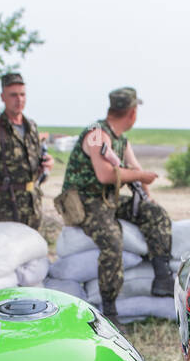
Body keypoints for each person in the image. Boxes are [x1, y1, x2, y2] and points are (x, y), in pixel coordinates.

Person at [57, 87, 174, 328]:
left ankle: (162, 277)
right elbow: (104, 175)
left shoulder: (121, 140)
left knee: (156, 214)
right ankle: (109, 311)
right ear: (132, 113)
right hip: (86, 202)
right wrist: (140, 175)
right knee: (112, 240)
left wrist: (147, 198)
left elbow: (134, 170)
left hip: (108, 200)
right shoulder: (97, 135)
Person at [0, 72, 52, 230]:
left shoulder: (31, 127)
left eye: (22, 95)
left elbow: (34, 162)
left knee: (33, 253)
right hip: (6, 208)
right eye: (13, 95)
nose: (19, 100)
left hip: (32, 206)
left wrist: (47, 163)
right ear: (3, 97)